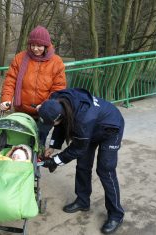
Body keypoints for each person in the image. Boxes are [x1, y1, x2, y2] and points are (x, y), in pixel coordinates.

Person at [37, 88, 125, 234]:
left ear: (59, 117)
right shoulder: (56, 100)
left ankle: (116, 215)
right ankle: (83, 201)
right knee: (83, 165)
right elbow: (60, 124)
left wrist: (55, 162)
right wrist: (53, 146)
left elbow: (77, 149)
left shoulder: (82, 119)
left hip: (111, 128)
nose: (54, 125)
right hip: (91, 128)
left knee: (105, 170)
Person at [0, 25, 66, 145]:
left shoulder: (56, 62)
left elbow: (58, 89)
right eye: (32, 45)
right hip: (21, 111)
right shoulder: (19, 58)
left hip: (43, 114)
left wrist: (45, 105)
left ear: (46, 46)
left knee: (37, 144)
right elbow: (10, 81)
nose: (35, 49)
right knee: (17, 143)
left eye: (39, 46)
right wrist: (6, 100)